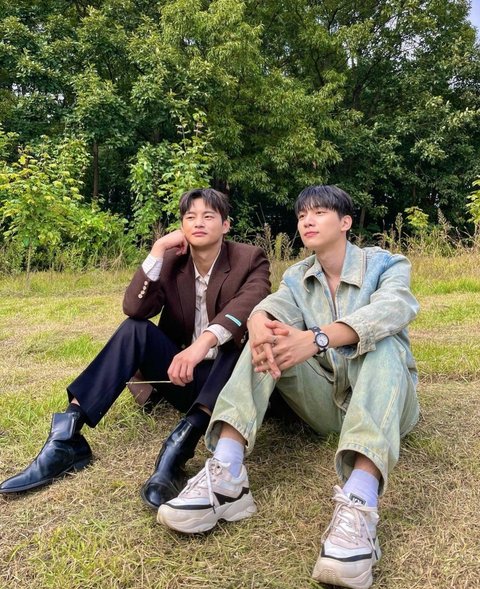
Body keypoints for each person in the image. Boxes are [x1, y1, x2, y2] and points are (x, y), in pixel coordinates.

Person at [157, 185, 420, 589]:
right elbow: (272, 306)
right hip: (326, 404)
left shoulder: (386, 264)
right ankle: (228, 473)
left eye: (319, 213)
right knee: (266, 340)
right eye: (302, 216)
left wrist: (316, 338)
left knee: (385, 343)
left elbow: (395, 309)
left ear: (345, 222)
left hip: (388, 405)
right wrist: (259, 322)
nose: (308, 221)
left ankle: (359, 501)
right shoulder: (297, 277)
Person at [0, 188, 271, 511]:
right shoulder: (173, 260)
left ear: (225, 225)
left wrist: (203, 343)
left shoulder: (249, 258)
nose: (198, 223)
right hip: (180, 377)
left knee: (239, 341)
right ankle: (67, 438)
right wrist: (157, 251)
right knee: (134, 329)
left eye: (208, 216)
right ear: (181, 226)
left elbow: (248, 304)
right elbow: (135, 308)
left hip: (227, 386)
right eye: (190, 217)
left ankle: (177, 451)